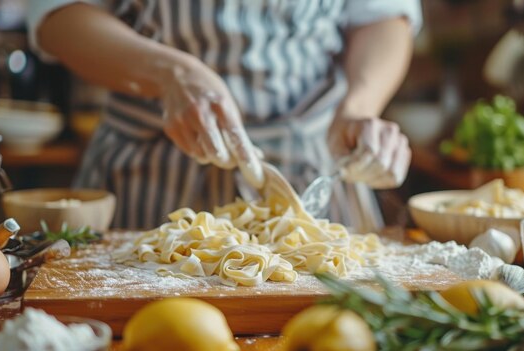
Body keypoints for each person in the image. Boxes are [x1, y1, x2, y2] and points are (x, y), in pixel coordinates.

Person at [27, 0, 421, 232]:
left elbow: (383, 15)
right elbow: (58, 18)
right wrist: (170, 74)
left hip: (312, 167)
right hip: (148, 171)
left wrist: (360, 105)